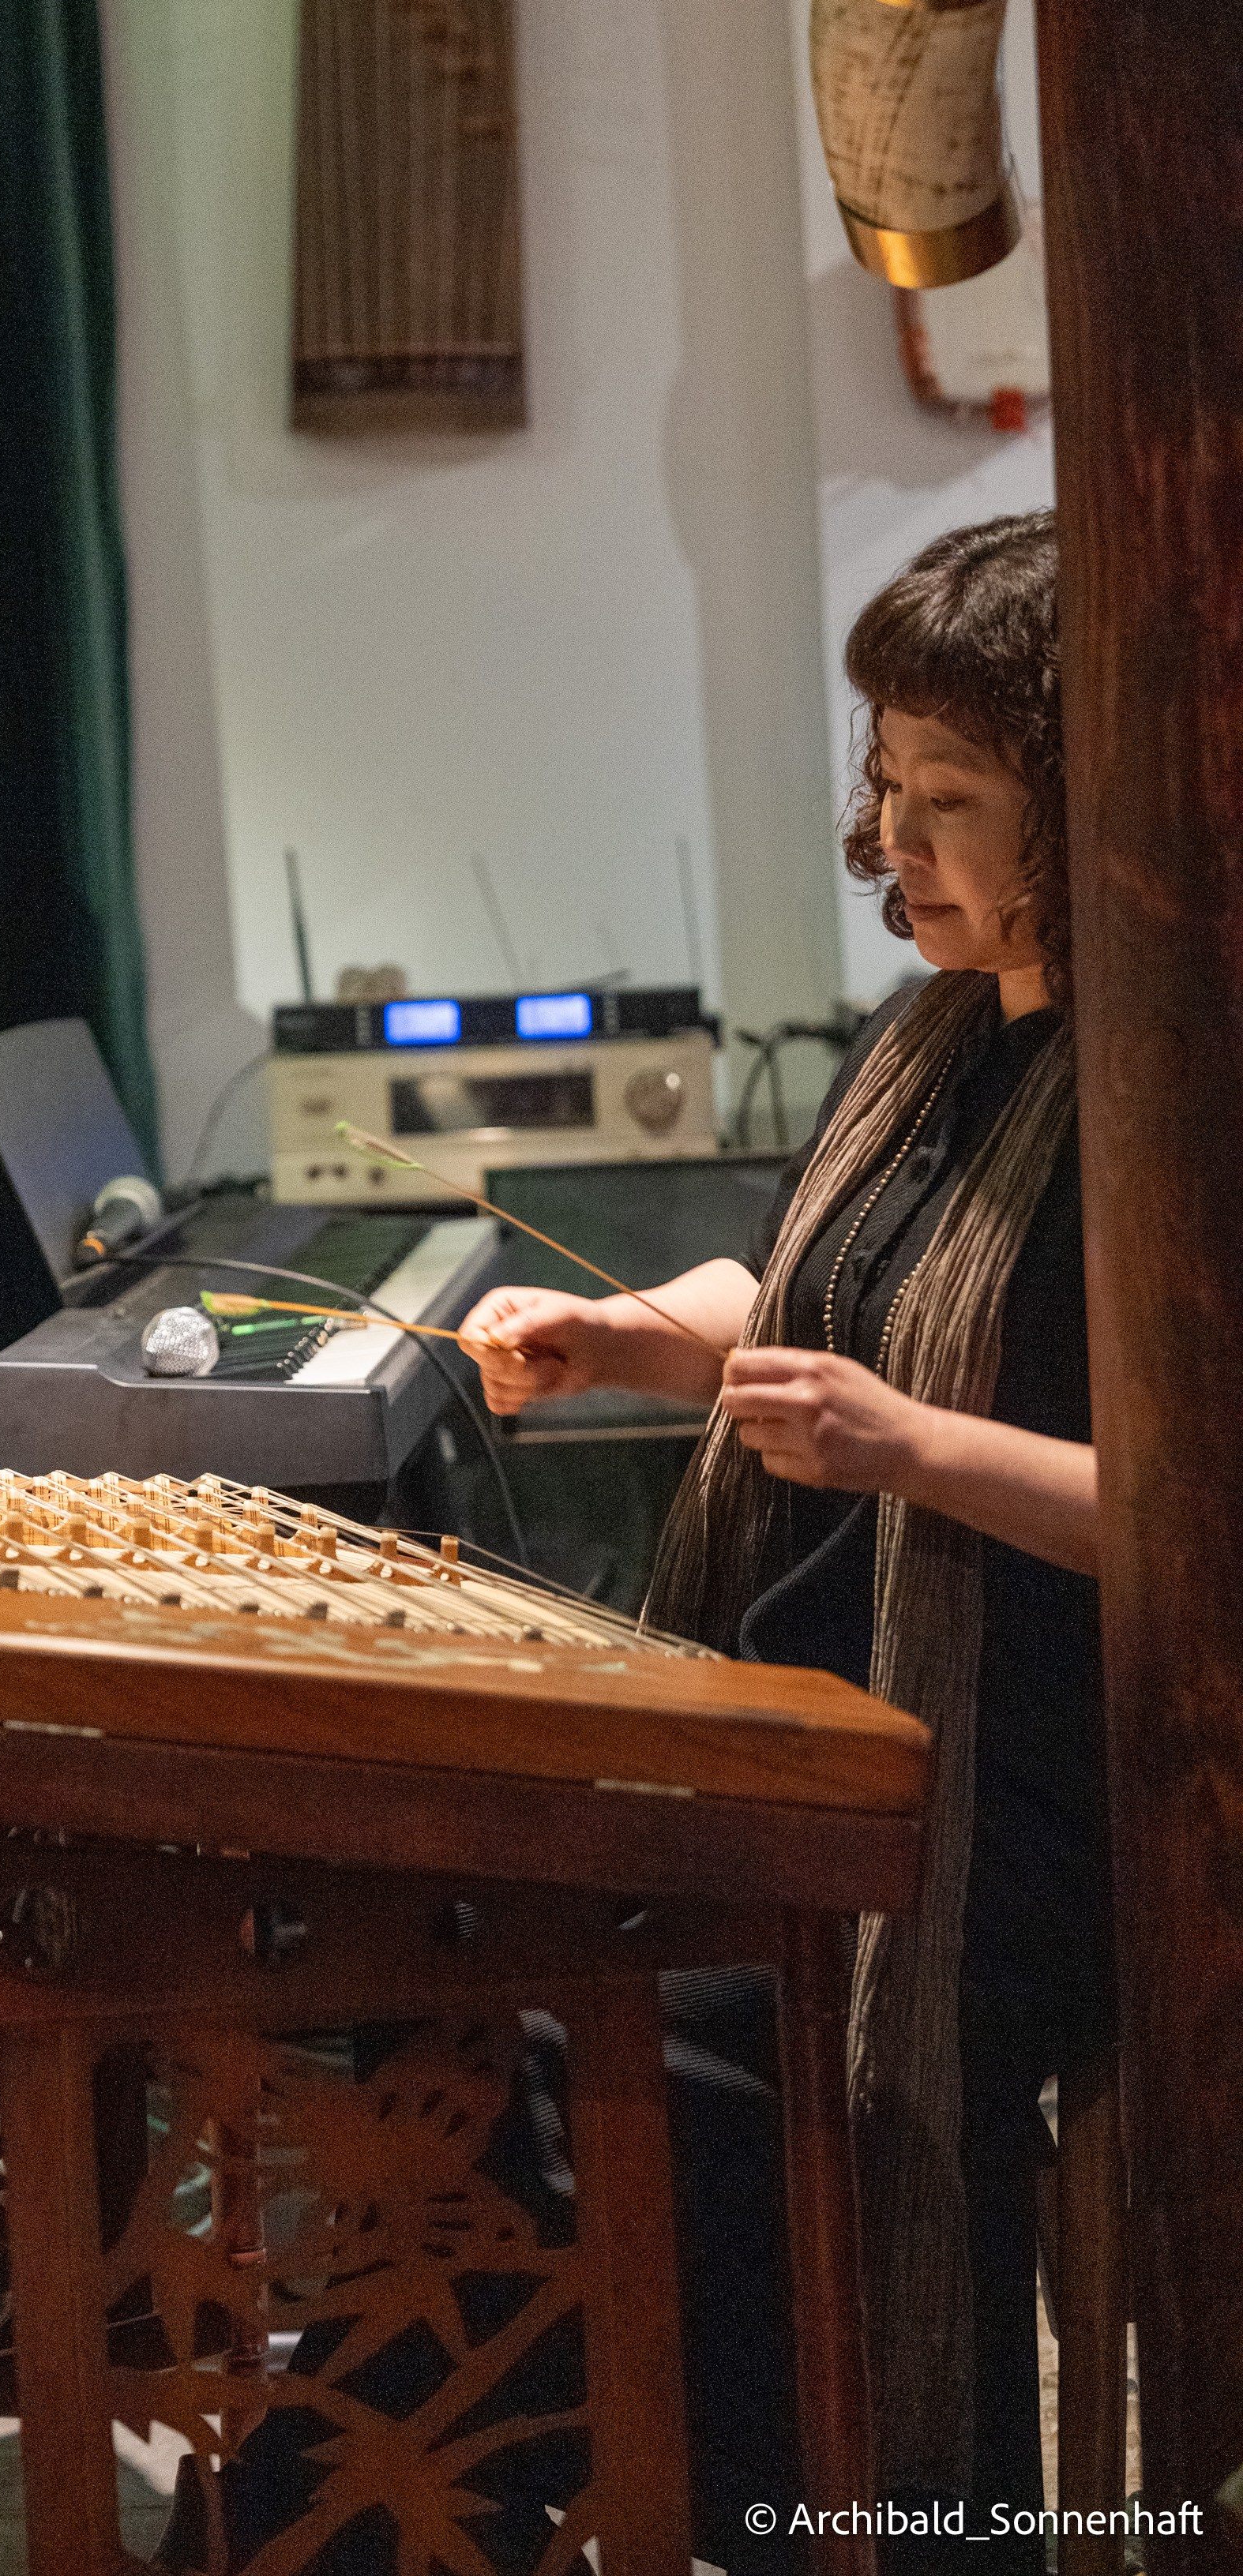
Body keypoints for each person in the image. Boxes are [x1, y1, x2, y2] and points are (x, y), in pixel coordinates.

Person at [464, 512, 1110, 2567]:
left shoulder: (1168, 1093)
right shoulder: (935, 1031)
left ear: (1091, 803)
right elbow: (818, 1313)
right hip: (841, 1706)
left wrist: (913, 1449)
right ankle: (574, 2474)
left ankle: (833, 2516)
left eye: (953, 801)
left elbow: (1188, 1522)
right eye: (886, 787)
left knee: (670, 2028)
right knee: (503, 1959)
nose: (895, 844)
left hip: (1028, 1780)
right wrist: (627, 1341)